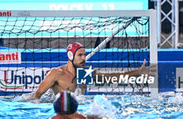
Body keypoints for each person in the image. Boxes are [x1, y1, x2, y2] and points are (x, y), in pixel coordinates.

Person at [28, 42, 156, 100]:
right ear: (71, 56)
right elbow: (37, 96)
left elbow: (112, 78)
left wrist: (137, 72)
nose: (84, 58)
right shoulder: (57, 74)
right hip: (59, 110)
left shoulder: (84, 73)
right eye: (80, 55)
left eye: (85, 55)